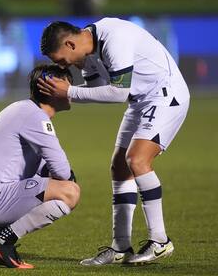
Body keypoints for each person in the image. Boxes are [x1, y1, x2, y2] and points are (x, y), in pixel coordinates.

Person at [38, 18, 190, 265]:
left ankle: (160, 241)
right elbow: (97, 88)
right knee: (119, 167)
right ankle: (120, 247)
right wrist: (67, 94)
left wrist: (69, 92)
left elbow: (118, 92)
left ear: (70, 43)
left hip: (166, 95)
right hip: (140, 100)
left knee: (137, 159)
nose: (64, 65)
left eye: (61, 59)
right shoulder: (86, 52)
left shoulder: (113, 38)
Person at [0, 64, 80, 269]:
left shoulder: (23, 109)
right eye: (67, 84)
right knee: (70, 192)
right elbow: (62, 172)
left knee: (59, 182)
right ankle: (2, 240)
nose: (71, 90)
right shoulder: (35, 116)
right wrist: (64, 178)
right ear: (49, 88)